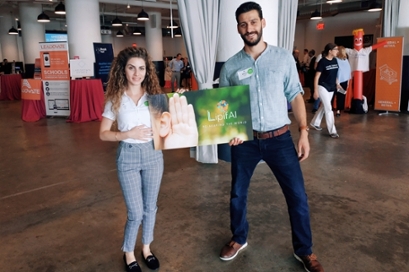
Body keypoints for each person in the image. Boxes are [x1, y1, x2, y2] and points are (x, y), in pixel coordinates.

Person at [218, 2, 324, 272]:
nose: (248, 28)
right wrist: (230, 132)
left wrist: (303, 131)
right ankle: (239, 238)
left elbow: (296, 96)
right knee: (237, 195)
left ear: (262, 23)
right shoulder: (230, 66)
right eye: (243, 24)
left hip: (279, 139)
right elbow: (224, 108)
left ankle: (305, 251)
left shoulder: (283, 58)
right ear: (238, 28)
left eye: (253, 22)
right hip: (246, 142)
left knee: (297, 196)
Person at [99, 47, 163, 272]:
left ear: (148, 71)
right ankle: (128, 252)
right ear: (123, 70)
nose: (137, 73)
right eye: (131, 68)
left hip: (153, 155)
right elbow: (103, 133)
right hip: (127, 156)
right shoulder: (115, 98)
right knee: (135, 212)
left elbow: (166, 126)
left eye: (142, 68)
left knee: (150, 208)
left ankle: (146, 248)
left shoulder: (155, 96)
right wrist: (126, 134)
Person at [310, 43, 340, 138]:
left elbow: (335, 74)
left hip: (331, 88)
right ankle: (332, 131)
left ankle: (315, 122)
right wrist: (315, 90)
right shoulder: (322, 62)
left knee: (324, 106)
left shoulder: (335, 60)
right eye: (336, 49)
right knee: (328, 108)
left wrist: (337, 83)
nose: (337, 51)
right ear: (330, 51)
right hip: (322, 87)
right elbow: (317, 77)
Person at [334, 46, 351, 117]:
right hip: (344, 81)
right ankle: (338, 110)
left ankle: (328, 110)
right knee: (341, 96)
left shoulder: (335, 59)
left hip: (336, 80)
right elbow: (348, 71)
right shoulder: (346, 60)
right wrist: (348, 81)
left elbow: (336, 71)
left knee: (331, 95)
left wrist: (337, 82)